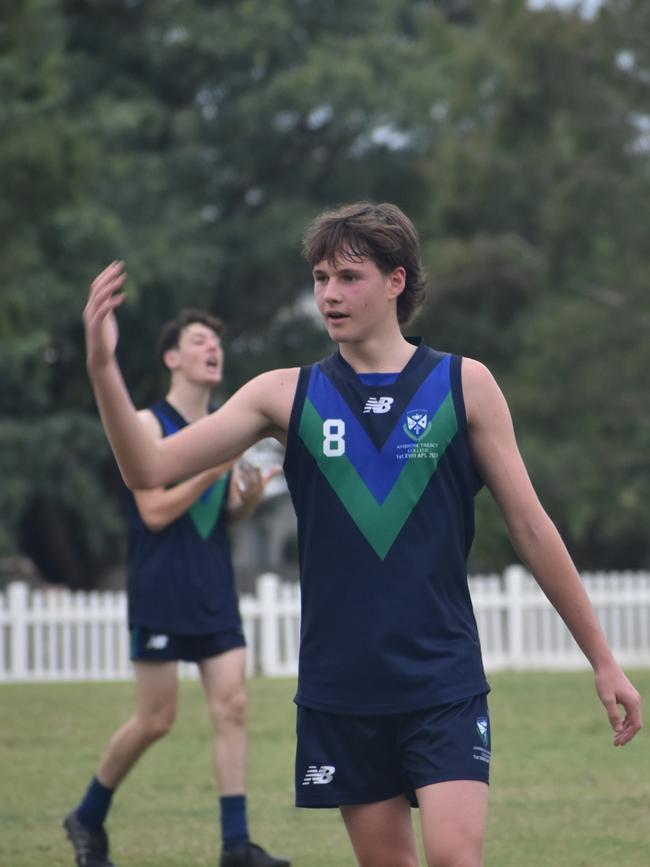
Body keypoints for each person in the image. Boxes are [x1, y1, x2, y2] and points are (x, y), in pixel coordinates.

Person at [82, 202, 642, 867]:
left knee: (455, 858)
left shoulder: (464, 385)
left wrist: (603, 658)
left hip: (442, 679)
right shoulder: (283, 395)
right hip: (341, 687)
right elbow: (147, 467)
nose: (328, 293)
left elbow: (530, 525)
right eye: (320, 277)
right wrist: (101, 368)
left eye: (348, 276)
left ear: (396, 281)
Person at [64, 309, 289, 867]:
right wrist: (215, 470)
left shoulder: (224, 424)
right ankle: (87, 815)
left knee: (232, 706)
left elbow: (224, 517)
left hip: (213, 586)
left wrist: (250, 496)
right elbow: (157, 511)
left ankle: (236, 845)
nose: (213, 348)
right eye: (199, 340)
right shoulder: (147, 425)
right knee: (156, 719)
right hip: (160, 589)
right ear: (172, 359)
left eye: (217, 341)